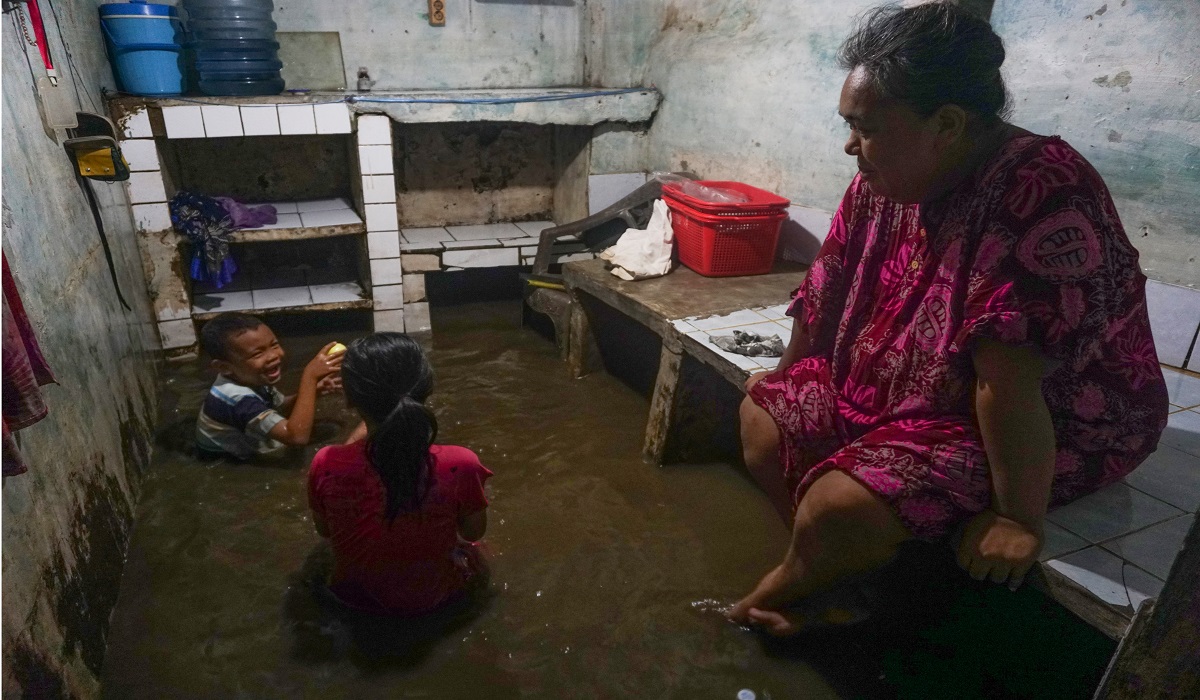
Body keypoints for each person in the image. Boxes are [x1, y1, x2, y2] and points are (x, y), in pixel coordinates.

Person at [730, 2, 1169, 636]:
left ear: (948, 124)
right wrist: (783, 376)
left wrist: (1017, 519)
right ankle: (835, 572)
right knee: (763, 420)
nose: (850, 145)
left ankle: (797, 587)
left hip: (1046, 419)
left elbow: (1007, 381)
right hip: (905, 392)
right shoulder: (887, 174)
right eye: (849, 125)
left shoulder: (1041, 188)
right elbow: (825, 286)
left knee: (837, 508)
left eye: (865, 128)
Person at [306, 333, 493, 616]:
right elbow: (473, 532)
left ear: (349, 400)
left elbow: (326, 531)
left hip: (353, 603)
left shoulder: (326, 463)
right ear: (427, 388)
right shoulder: (459, 463)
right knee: (481, 549)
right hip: (437, 601)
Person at [195, 312, 344, 460]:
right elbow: (297, 437)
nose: (273, 356)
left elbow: (280, 406)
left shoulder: (247, 377)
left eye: (274, 345)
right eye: (257, 354)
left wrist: (313, 391)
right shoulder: (236, 398)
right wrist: (309, 378)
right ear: (224, 367)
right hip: (228, 462)